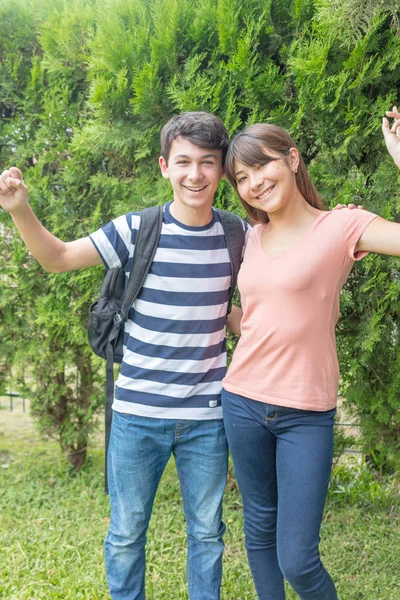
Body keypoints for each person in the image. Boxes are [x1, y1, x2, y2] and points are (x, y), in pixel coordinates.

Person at [0, 111, 249, 600]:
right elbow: (59, 258)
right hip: (137, 416)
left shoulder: (237, 235)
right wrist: (18, 210)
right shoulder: (138, 229)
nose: (194, 174)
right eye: (183, 162)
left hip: (208, 418)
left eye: (207, 162)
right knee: (126, 533)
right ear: (163, 166)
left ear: (222, 170)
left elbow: (244, 308)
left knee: (207, 535)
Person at [220, 106, 400, 600]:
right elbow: (254, 318)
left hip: (306, 413)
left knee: (297, 559)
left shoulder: (340, 227)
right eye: (241, 176)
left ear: (293, 159)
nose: (254, 182)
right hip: (241, 401)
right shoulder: (249, 238)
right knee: (258, 531)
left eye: (263, 165)